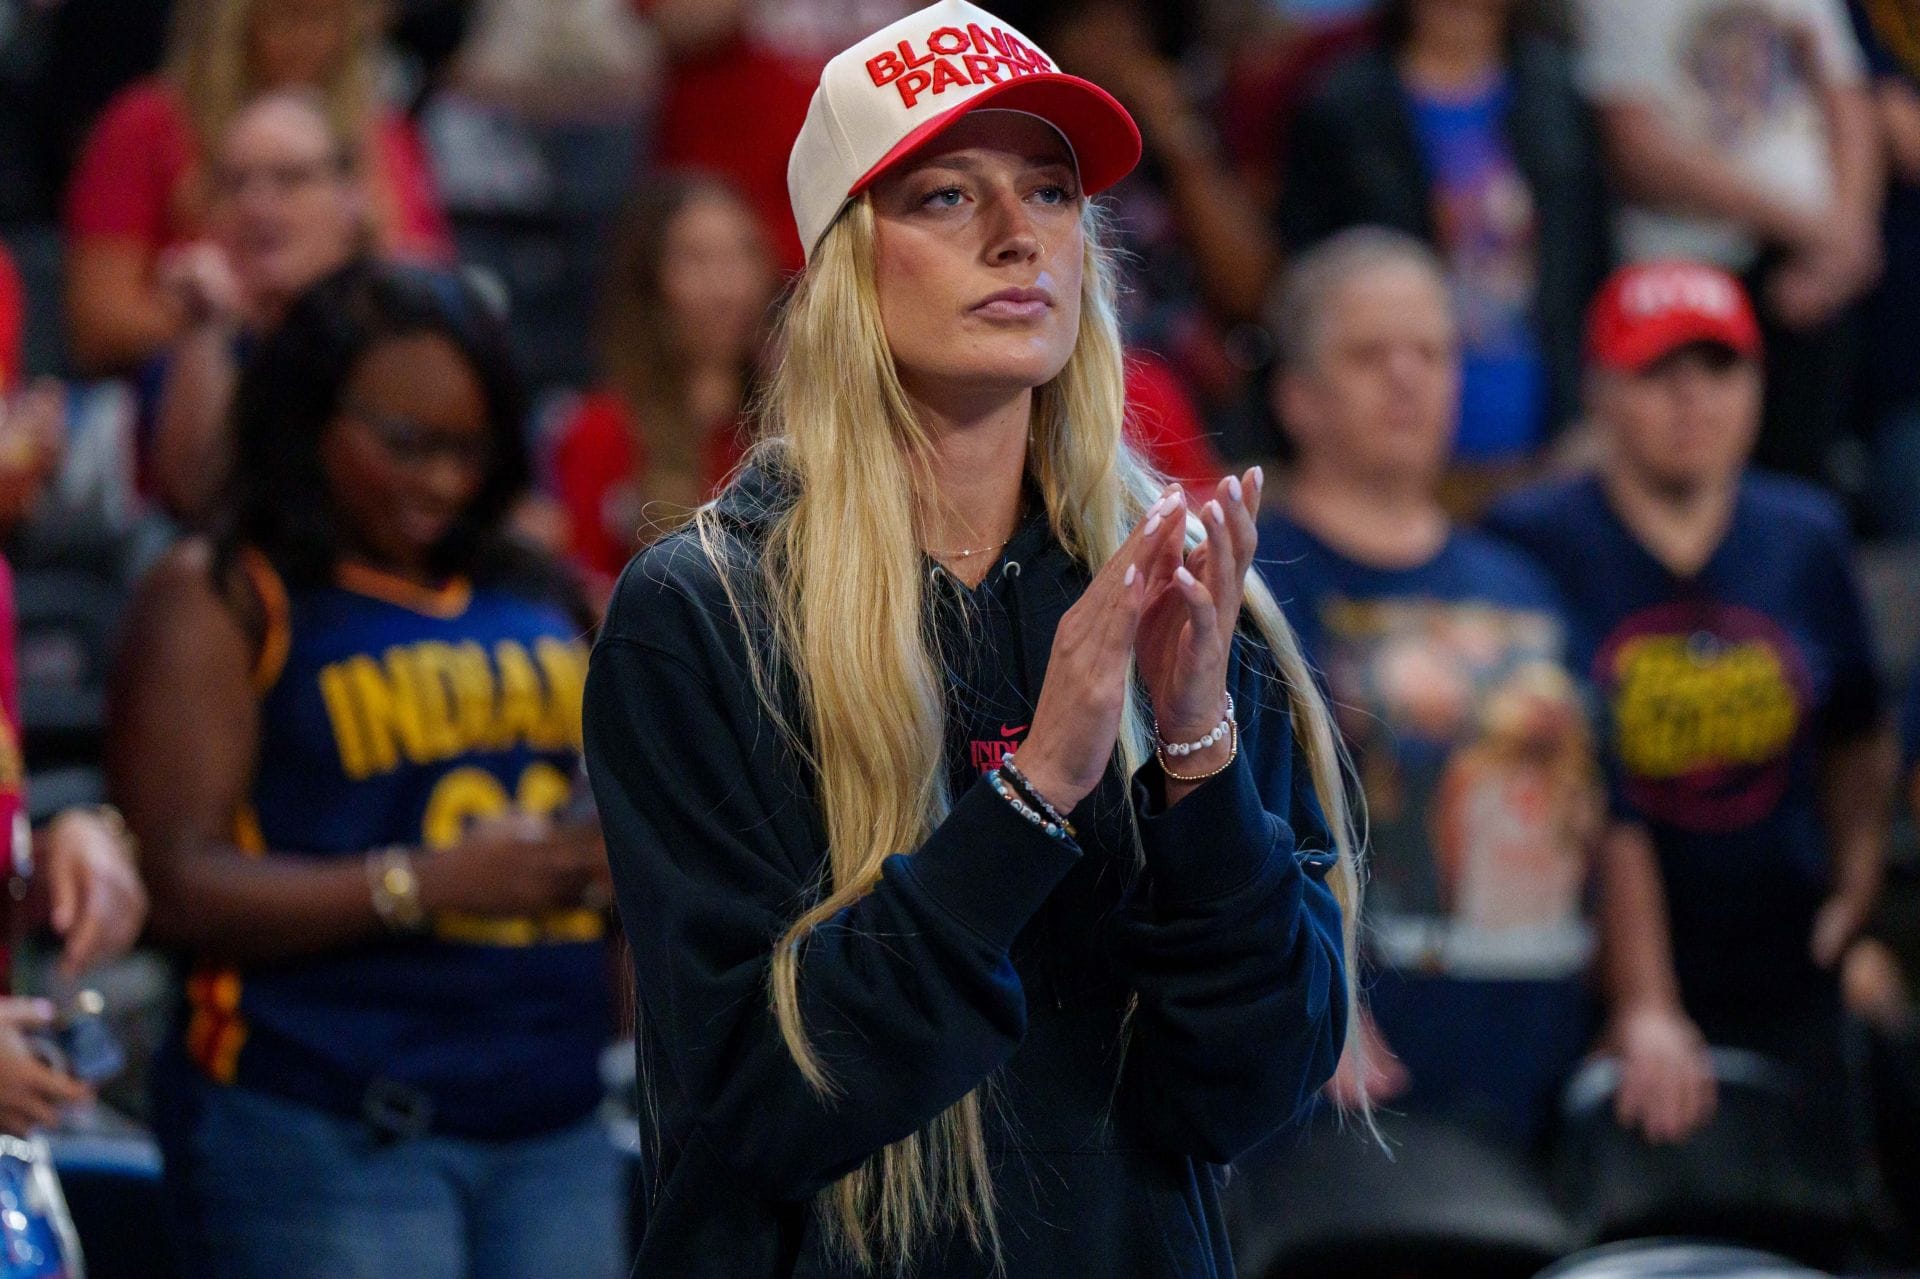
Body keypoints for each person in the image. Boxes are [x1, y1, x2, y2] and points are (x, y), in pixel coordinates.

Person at [581, 2, 1361, 1275]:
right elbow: (754, 1108)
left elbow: (1247, 1088)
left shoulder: (1182, 594)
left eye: (1051, 194)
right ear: (843, 261)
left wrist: (1198, 759)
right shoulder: (704, 613)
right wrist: (1038, 786)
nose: (1018, 237)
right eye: (946, 197)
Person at [106, 260, 625, 1279]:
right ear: (307, 417)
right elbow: (173, 884)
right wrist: (427, 883)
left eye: (469, 450)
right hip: (327, 1122)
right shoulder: (224, 591)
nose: (441, 479)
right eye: (405, 445)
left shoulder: (543, 586)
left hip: (557, 1117)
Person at [1254, 228, 1715, 1155]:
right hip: (1345, 1083)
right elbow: (1228, 820)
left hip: (1541, 1062)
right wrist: (1307, 996)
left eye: (1430, 351)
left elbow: (1612, 813)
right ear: (1295, 395)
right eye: (1368, 354)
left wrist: (1650, 1002)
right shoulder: (1254, 577)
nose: (1407, 377)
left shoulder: (1525, 580)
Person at [1486, 260, 1894, 1194]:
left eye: (1719, 369)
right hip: (1592, 970)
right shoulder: (1530, 538)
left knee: (1808, 1217)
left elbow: (1861, 726)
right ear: (1598, 389)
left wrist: (1855, 881)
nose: (1691, 399)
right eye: (1656, 372)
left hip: (1781, 954)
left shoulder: (1806, 533)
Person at [1280, 0, 1612, 489]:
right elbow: (1304, 285)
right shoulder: (1343, 104)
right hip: (1381, 461)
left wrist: (1596, 412)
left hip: (1552, 450)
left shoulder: (1558, 91)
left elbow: (1593, 258)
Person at [1574, 0, 1882, 491]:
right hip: (1683, 280)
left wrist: (1848, 238)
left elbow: (1850, 100)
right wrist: (1811, 227)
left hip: (1809, 277)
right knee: (1683, 479)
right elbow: (1636, 151)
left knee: (1800, 492)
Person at [63, 0, 451, 375]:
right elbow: (100, 326)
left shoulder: (382, 137)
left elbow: (432, 306)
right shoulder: (149, 125)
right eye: (286, 16)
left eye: (328, 18)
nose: (309, 39)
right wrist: (219, 316)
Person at [150, 89, 371, 523]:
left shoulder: (402, 330)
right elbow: (197, 498)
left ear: (350, 197)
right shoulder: (195, 347)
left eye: (288, 178)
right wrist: (207, 329)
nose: (256, 205)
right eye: (236, 184)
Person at [548, 175, 776, 589]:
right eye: (695, 260)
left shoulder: (793, 425)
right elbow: (583, 592)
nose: (725, 288)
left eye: (741, 256)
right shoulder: (601, 431)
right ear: (650, 281)